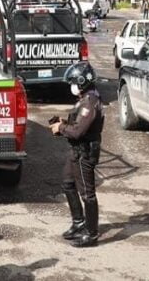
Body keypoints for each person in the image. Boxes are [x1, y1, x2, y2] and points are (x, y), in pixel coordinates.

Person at [50, 62, 104, 248]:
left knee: (87, 193)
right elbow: (77, 123)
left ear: (82, 81)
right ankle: (79, 222)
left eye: (73, 82)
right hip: (76, 151)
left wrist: (61, 128)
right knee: (67, 183)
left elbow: (78, 131)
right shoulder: (85, 98)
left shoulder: (90, 101)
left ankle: (91, 233)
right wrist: (64, 122)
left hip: (84, 153)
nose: (71, 86)